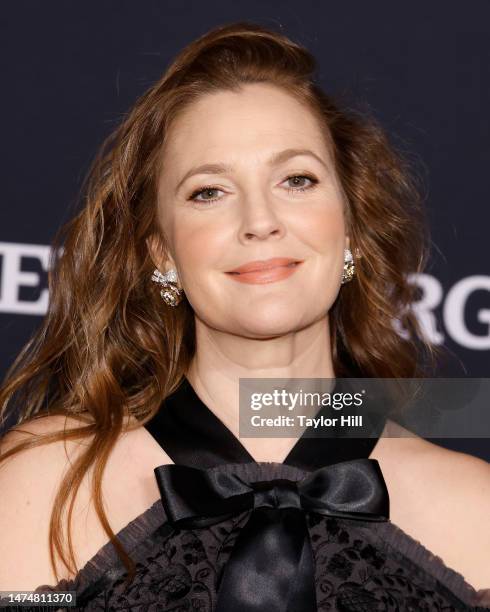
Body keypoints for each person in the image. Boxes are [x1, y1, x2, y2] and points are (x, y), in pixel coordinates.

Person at [0, 21, 489, 612]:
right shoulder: (44, 485)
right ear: (163, 253)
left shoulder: (475, 512)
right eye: (209, 191)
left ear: (350, 226)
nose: (260, 219)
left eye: (297, 179)